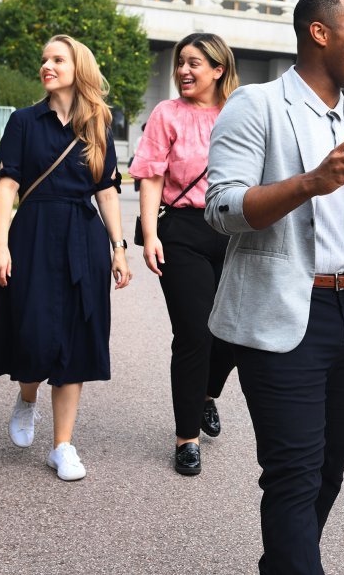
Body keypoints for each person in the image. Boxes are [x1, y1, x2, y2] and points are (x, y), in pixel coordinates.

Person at [205, 0, 344, 575]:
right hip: (282, 311)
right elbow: (221, 209)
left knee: (328, 470)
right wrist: (310, 182)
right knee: (293, 472)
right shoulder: (255, 105)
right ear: (321, 33)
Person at [0, 35, 131, 482]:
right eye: (44, 59)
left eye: (57, 59)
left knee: (75, 340)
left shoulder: (100, 122)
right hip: (34, 233)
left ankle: (62, 445)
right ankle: (26, 397)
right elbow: (7, 188)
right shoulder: (23, 122)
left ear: (79, 67)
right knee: (33, 332)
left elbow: (106, 189)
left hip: (83, 237)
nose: (47, 65)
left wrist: (118, 247)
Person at [129, 32, 240, 476]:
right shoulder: (166, 113)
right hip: (182, 230)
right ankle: (186, 436)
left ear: (218, 69)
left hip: (233, 230)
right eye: (181, 63)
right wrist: (151, 235)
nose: (184, 71)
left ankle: (208, 395)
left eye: (195, 63)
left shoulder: (239, 113)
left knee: (233, 332)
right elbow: (151, 176)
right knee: (195, 333)